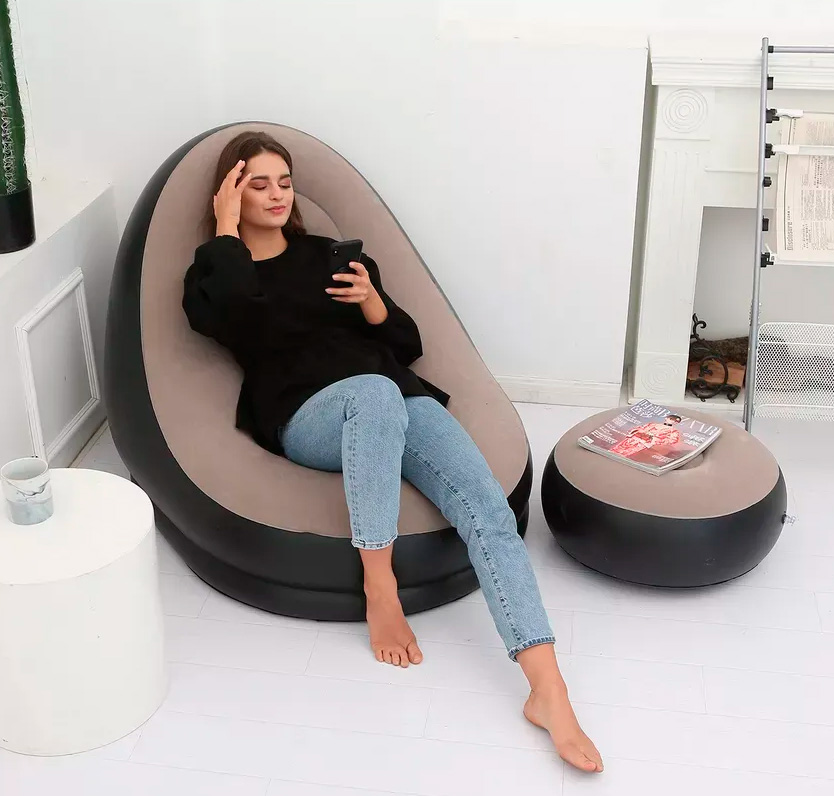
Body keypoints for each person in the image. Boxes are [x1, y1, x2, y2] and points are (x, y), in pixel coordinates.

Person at [181, 131, 603, 773]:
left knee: (487, 506)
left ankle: (548, 689)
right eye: (257, 185)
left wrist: (373, 304)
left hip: (393, 394)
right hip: (307, 413)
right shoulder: (217, 269)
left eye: (284, 182)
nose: (276, 195)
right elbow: (227, 317)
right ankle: (381, 586)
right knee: (374, 393)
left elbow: (406, 344)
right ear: (231, 193)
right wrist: (224, 228)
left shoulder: (328, 256)